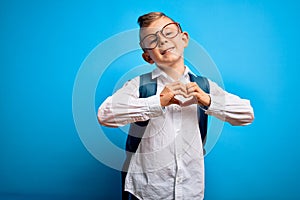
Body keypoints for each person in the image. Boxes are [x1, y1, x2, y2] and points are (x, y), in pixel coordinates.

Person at [98, 12, 254, 200]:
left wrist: (208, 101)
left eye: (168, 32)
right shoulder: (138, 85)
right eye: (152, 39)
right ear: (147, 56)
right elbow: (105, 115)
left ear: (184, 39)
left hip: (191, 191)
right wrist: (156, 102)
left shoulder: (204, 87)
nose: (162, 41)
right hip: (146, 193)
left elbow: (247, 114)